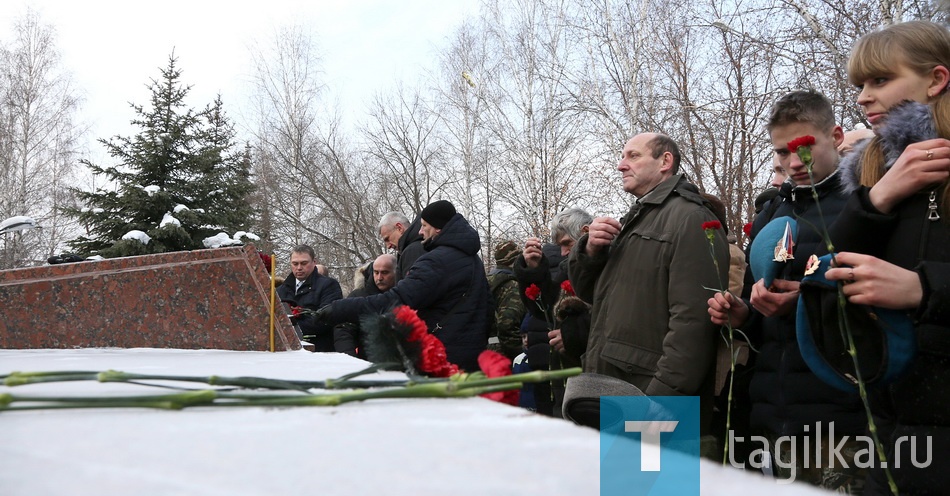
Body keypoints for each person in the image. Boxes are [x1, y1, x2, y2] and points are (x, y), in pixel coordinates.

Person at [707, 91, 866, 491]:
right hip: (775, 419)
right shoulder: (771, 216)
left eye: (804, 147)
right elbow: (761, 317)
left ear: (836, 135)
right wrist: (743, 314)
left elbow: (888, 307)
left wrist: (809, 301)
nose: (793, 163)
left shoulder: (864, 204)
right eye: (781, 151)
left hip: (843, 423)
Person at [824, 20, 950, 495]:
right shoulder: (874, 172)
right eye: (859, 85)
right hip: (892, 424)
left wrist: (923, 288)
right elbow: (836, 265)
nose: (862, 97)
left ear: (936, 79)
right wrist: (878, 199)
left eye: (880, 80)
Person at [567, 133, 728, 429]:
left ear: (665, 161)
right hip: (621, 390)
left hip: (652, 403)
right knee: (622, 476)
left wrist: (662, 399)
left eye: (633, 156)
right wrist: (591, 250)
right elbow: (591, 294)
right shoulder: (639, 218)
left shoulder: (691, 219)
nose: (621, 165)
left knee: (654, 474)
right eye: (622, 156)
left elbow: (693, 321)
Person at [316, 200, 490, 372]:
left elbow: (399, 300)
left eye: (424, 225)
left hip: (444, 355)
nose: (420, 232)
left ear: (437, 227)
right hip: (472, 353)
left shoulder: (436, 260)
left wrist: (341, 308)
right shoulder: (471, 259)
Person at [515, 207, 593, 417]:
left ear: (585, 233)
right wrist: (532, 270)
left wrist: (571, 335)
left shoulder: (604, 269)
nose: (563, 253)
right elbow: (542, 309)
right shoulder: (567, 269)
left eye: (567, 244)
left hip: (592, 376)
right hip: (562, 375)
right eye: (560, 246)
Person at [276, 245, 343, 352]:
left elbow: (325, 319)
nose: (299, 268)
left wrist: (290, 329)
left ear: (314, 262)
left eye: (304, 263)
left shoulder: (329, 285)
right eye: (295, 263)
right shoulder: (280, 290)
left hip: (319, 349)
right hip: (287, 351)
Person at [333, 254, 397, 357]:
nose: (379, 278)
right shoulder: (358, 296)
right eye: (376, 273)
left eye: (385, 273)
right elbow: (344, 330)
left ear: (396, 272)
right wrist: (349, 357)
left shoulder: (405, 295)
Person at [486, 240, 527, 360]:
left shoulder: (486, 281)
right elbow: (507, 325)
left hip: (485, 350)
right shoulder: (511, 285)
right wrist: (519, 354)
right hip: (503, 353)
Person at [378, 212, 424, 280]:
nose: (388, 246)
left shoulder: (412, 251)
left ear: (399, 228)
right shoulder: (419, 245)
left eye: (387, 239)